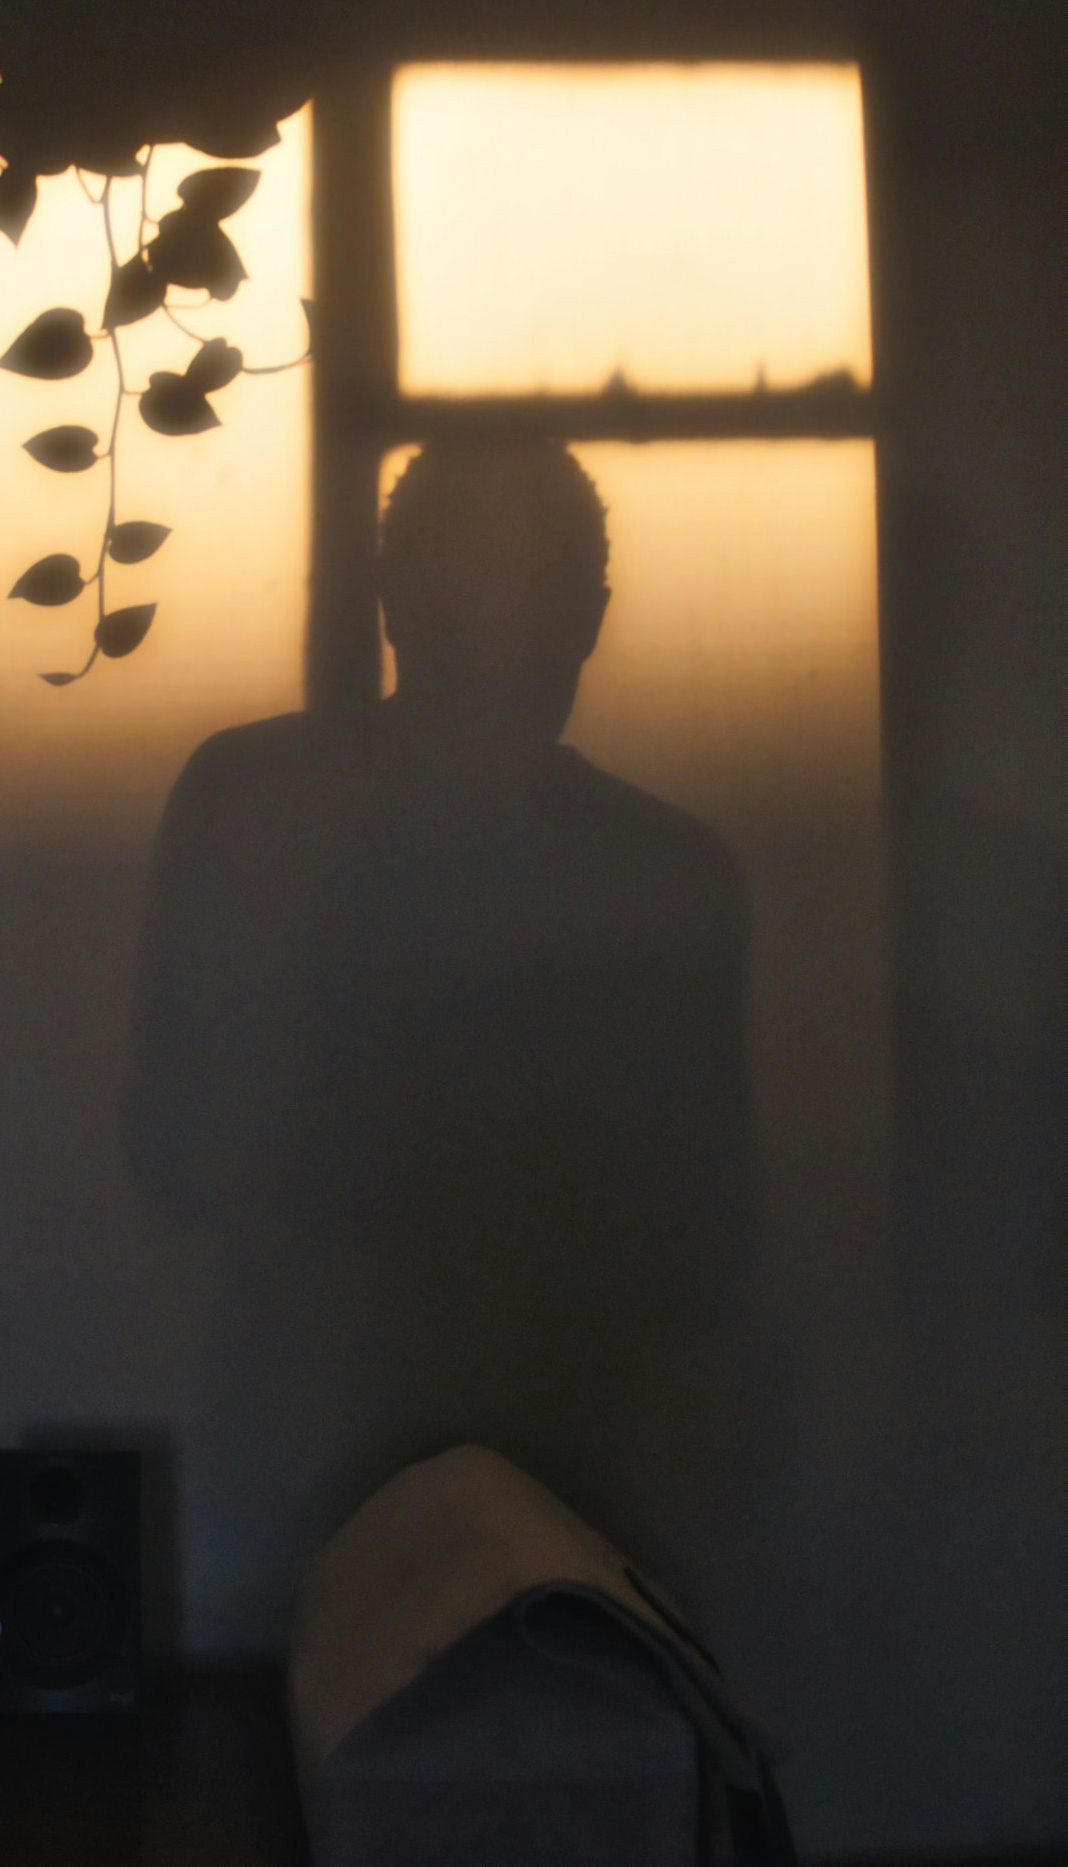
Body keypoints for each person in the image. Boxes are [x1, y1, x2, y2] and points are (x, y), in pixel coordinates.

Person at [125, 442, 758, 1635]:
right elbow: (708, 1249)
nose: (494, 637)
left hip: (472, 1464)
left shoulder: (256, 808)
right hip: (417, 1457)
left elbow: (709, 1249)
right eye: (464, 599)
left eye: (520, 600)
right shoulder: (659, 872)